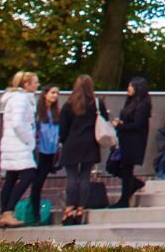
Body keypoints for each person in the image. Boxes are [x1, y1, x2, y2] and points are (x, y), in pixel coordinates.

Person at [56, 75, 107, 226]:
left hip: (72, 144)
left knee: (72, 177)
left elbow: (63, 129)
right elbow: (105, 120)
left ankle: (69, 209)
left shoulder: (69, 104)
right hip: (90, 144)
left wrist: (65, 142)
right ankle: (80, 209)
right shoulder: (97, 104)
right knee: (85, 176)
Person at [0, 71, 40, 229]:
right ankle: (9, 211)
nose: (38, 85)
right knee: (28, 175)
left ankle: (5, 213)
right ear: (26, 84)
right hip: (19, 144)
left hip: (12, 143)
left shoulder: (15, 98)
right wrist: (29, 140)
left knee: (11, 177)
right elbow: (18, 123)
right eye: (35, 82)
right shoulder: (21, 99)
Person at [112, 76, 152, 207]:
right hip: (124, 138)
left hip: (133, 141)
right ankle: (133, 185)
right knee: (114, 166)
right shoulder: (130, 102)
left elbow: (138, 124)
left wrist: (121, 126)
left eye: (131, 86)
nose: (128, 88)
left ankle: (124, 199)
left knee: (127, 168)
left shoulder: (143, 104)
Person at [31, 84, 62, 220]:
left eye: (57, 93)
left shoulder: (56, 112)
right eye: (52, 92)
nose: (55, 96)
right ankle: (34, 214)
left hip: (52, 151)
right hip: (39, 151)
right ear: (45, 94)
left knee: (41, 181)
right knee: (36, 183)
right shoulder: (37, 111)